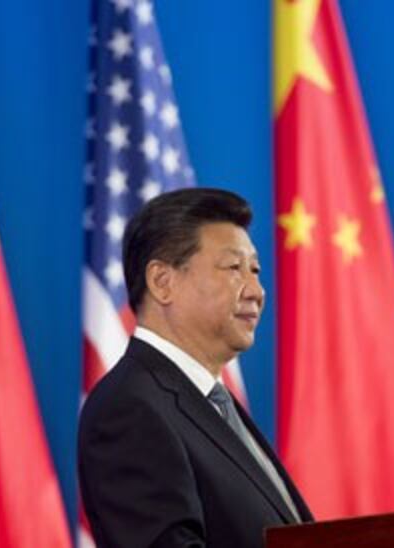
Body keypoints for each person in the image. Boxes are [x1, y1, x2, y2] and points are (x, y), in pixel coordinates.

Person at [78, 188, 312, 547]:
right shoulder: (129, 409)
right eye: (234, 268)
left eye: (255, 270)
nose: (257, 291)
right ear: (162, 282)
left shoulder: (214, 403)